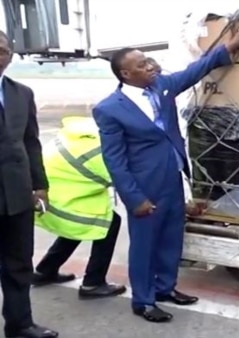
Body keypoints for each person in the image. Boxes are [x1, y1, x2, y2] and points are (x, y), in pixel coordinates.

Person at [92, 24, 239, 323]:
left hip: (173, 178)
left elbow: (195, 71)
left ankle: (166, 288)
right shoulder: (109, 109)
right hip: (143, 186)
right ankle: (143, 300)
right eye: (142, 64)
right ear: (126, 74)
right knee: (145, 244)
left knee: (171, 237)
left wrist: (228, 47)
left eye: (149, 61)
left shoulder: (161, 87)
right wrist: (134, 197)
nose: (151, 66)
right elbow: (114, 159)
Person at [0, 30, 58, 338]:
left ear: (10, 55)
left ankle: (20, 324)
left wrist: (40, 185)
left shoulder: (21, 93)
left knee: (19, 264)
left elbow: (31, 143)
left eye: (1, 50)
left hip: (17, 195)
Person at [31, 116, 126, 300]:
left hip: (50, 186)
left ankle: (45, 271)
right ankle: (93, 283)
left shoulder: (92, 131)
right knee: (108, 223)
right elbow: (125, 182)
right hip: (54, 194)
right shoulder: (105, 150)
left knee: (81, 223)